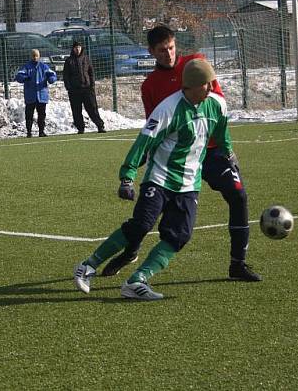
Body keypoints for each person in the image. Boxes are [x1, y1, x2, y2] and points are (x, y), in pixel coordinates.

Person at [101, 25, 261, 282]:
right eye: (162, 50)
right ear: (151, 52)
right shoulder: (150, 86)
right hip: (175, 159)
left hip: (210, 151)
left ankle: (237, 264)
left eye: (172, 47)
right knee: (149, 215)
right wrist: (135, 167)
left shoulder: (197, 65)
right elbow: (154, 130)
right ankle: (130, 251)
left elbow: (217, 107)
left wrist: (227, 150)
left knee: (239, 195)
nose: (169, 54)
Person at [73, 58, 229, 300]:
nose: (210, 88)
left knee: (179, 236)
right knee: (141, 225)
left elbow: (221, 133)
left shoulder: (216, 105)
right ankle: (87, 266)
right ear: (190, 85)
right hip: (159, 179)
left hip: (189, 185)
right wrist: (127, 176)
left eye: (211, 83)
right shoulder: (167, 109)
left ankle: (136, 281)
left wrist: (228, 153)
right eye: (205, 84)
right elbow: (143, 142)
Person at [63, 39, 106, 134]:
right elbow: (66, 76)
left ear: (81, 48)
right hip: (74, 90)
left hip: (87, 89)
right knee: (76, 110)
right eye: (75, 48)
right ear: (73, 49)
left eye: (79, 47)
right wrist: (69, 87)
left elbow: (91, 73)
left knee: (92, 108)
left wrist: (92, 85)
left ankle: (100, 126)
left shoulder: (86, 58)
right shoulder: (69, 61)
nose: (77, 49)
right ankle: (80, 128)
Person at [15, 48, 57, 137]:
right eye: (33, 55)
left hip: (42, 95)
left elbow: (52, 74)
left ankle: (41, 131)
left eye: (36, 55)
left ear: (39, 56)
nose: (35, 57)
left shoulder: (44, 66)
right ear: (31, 56)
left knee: (41, 114)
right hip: (30, 95)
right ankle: (29, 132)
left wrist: (51, 79)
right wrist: (25, 78)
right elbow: (19, 76)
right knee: (29, 115)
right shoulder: (27, 67)